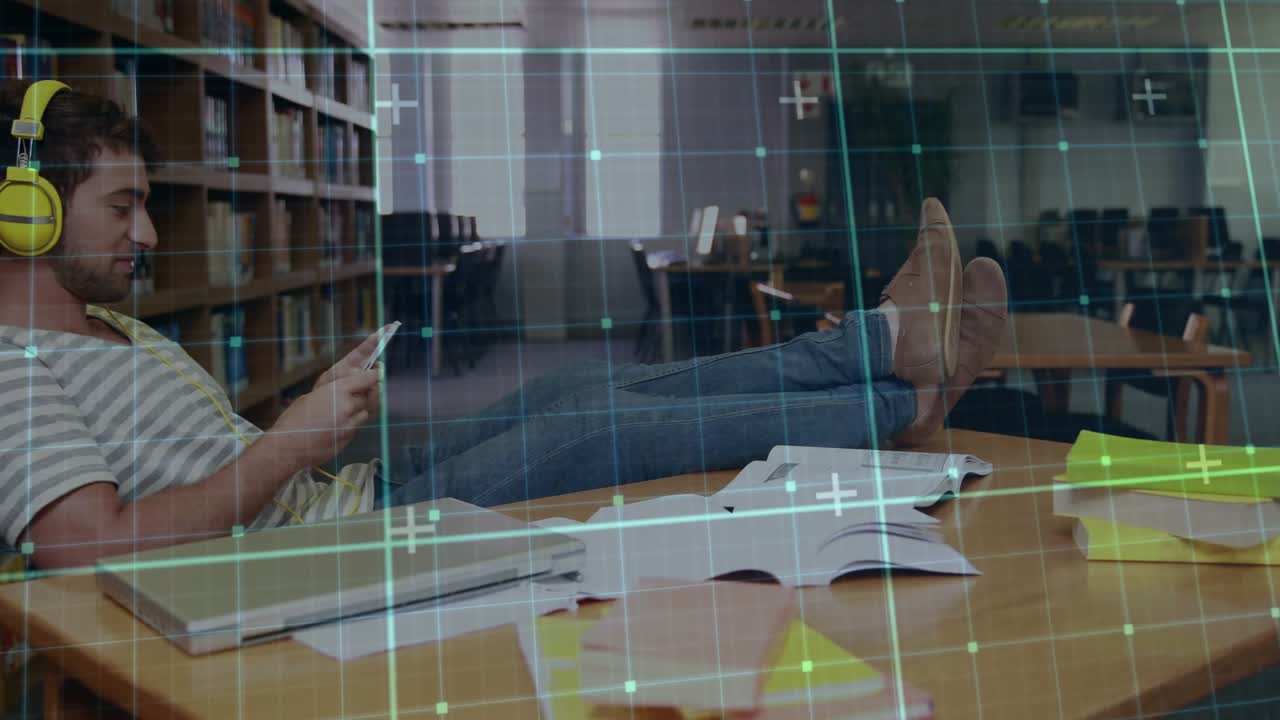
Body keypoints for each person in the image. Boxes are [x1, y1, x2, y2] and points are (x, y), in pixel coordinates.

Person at [0, 81, 1007, 570]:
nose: (147, 233)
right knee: (589, 430)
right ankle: (894, 395)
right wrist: (290, 442)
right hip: (337, 548)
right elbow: (83, 548)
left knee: (571, 388)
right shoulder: (12, 366)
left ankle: (882, 351)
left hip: (348, 499)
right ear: (25, 214)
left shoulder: (115, 331)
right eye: (122, 207)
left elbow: (205, 474)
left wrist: (302, 433)